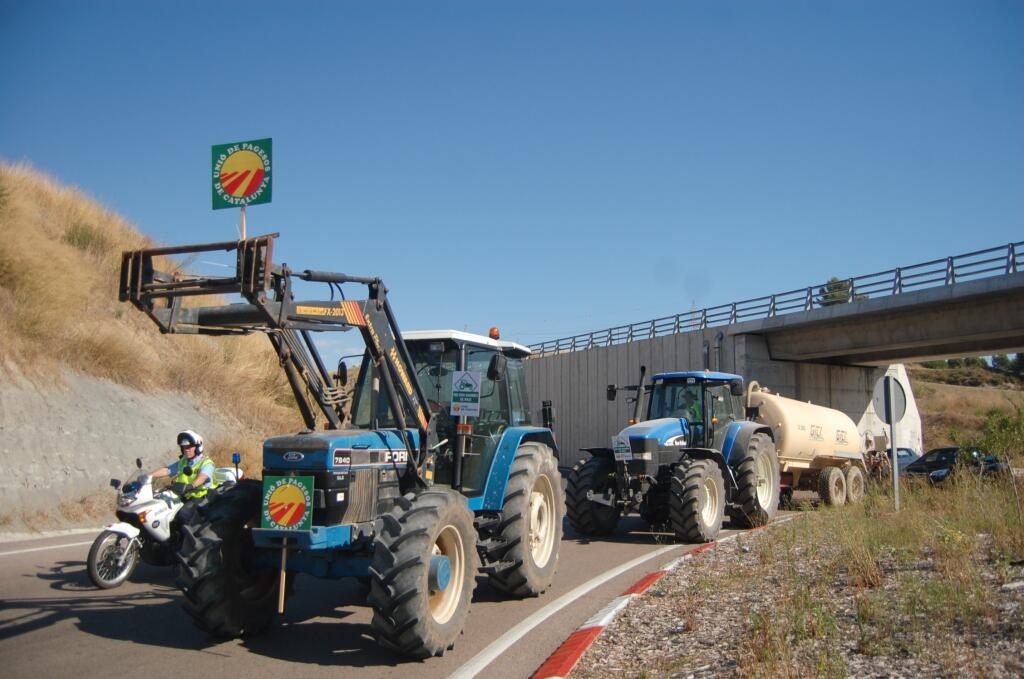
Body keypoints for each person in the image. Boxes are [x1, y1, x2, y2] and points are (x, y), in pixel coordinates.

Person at [150, 430, 217, 500]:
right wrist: (148, 476)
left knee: (184, 511)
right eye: (183, 447)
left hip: (202, 497)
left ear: (197, 447)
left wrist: (190, 486)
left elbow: (203, 477)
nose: (186, 450)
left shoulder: (206, 463)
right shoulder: (183, 461)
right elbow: (167, 470)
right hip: (185, 495)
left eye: (189, 447)